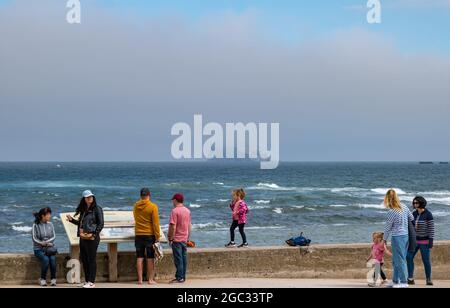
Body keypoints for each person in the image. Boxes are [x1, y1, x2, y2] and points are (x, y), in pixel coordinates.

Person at [66, 190, 104, 288]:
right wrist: (72, 220)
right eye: (87, 197)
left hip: (92, 238)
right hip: (83, 237)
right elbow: (81, 224)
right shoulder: (83, 210)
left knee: (91, 259)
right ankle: (87, 281)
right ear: (84, 199)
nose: (89, 198)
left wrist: (94, 235)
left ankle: (91, 282)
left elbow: (101, 224)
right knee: (85, 259)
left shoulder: (97, 209)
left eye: (91, 196)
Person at [383, 189, 414, 288]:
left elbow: (388, 228)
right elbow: (412, 217)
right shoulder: (404, 206)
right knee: (397, 259)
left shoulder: (391, 212)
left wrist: (384, 239)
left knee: (400, 260)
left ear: (388, 199)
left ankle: (404, 282)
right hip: (406, 236)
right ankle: (395, 281)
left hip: (397, 237)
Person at [133, 188, 161, 285]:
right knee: (150, 257)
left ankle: (140, 280)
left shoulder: (136, 205)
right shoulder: (153, 206)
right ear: (149, 195)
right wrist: (157, 236)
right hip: (149, 235)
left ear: (141, 195)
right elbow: (155, 223)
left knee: (139, 256)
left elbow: (135, 217)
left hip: (138, 234)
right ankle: (150, 279)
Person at [407, 196, 435, 286]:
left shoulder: (428, 214)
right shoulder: (413, 213)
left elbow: (431, 229)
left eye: (417, 203)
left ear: (421, 203)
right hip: (414, 241)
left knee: (426, 260)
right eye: (414, 203)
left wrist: (430, 242)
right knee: (408, 257)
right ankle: (410, 278)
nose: (415, 204)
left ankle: (428, 279)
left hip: (425, 242)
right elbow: (410, 227)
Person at [168, 193, 192, 284]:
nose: (172, 202)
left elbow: (172, 226)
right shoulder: (187, 211)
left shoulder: (174, 211)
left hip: (177, 239)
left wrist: (171, 238)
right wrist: (188, 237)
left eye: (173, 200)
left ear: (175, 200)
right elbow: (189, 226)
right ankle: (183, 276)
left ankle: (179, 277)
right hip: (184, 238)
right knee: (183, 258)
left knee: (178, 259)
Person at [32, 207, 57, 287]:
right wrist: (43, 243)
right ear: (43, 216)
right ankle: (42, 279)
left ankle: (53, 279)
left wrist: (47, 243)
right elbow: (34, 238)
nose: (50, 216)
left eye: (50, 214)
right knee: (46, 259)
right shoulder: (35, 225)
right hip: (38, 249)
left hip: (49, 248)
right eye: (48, 214)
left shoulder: (51, 224)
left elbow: (54, 236)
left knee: (52, 259)